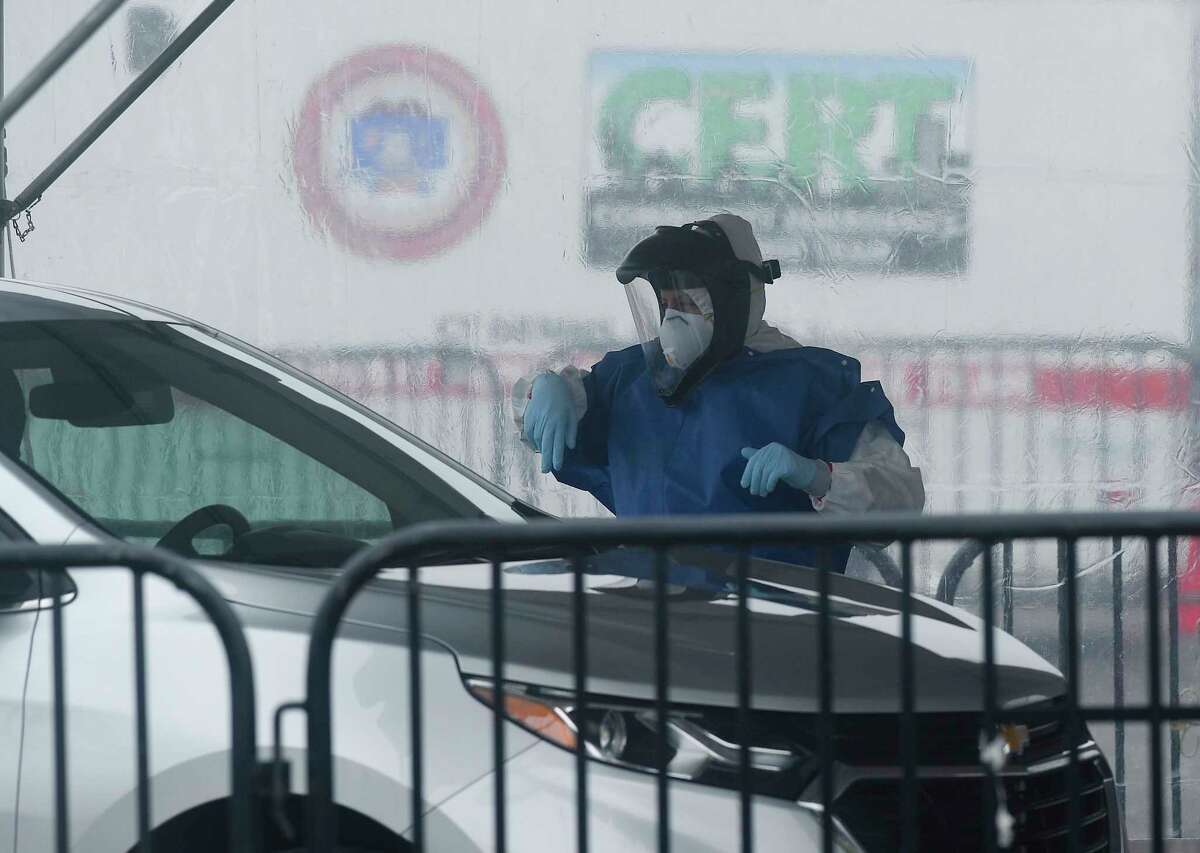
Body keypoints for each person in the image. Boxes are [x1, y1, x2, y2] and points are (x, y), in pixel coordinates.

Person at [512, 214, 924, 571]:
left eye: (688, 303)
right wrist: (544, 391)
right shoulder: (634, 378)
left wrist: (817, 476)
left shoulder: (810, 384)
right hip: (651, 617)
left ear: (736, 296)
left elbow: (899, 503)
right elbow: (537, 424)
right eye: (667, 302)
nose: (673, 318)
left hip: (775, 627)